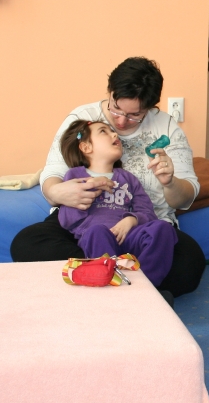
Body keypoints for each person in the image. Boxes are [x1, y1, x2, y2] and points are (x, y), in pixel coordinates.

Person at [11, 57, 206, 299]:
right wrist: (59, 193)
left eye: (135, 115)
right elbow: (53, 175)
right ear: (110, 92)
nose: (121, 123)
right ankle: (133, 287)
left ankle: (104, 281)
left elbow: (183, 198)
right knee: (26, 243)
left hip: (140, 228)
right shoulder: (84, 119)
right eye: (116, 110)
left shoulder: (165, 129)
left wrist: (170, 183)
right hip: (84, 228)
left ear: (150, 108)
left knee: (190, 263)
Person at [58, 119, 178, 287]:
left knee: (163, 228)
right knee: (97, 231)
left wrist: (131, 220)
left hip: (129, 236)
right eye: (103, 131)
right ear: (86, 147)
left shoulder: (128, 178)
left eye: (112, 131)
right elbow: (67, 220)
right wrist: (90, 186)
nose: (114, 134)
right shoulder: (75, 176)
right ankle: (112, 287)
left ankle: (145, 287)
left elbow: (148, 212)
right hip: (97, 238)